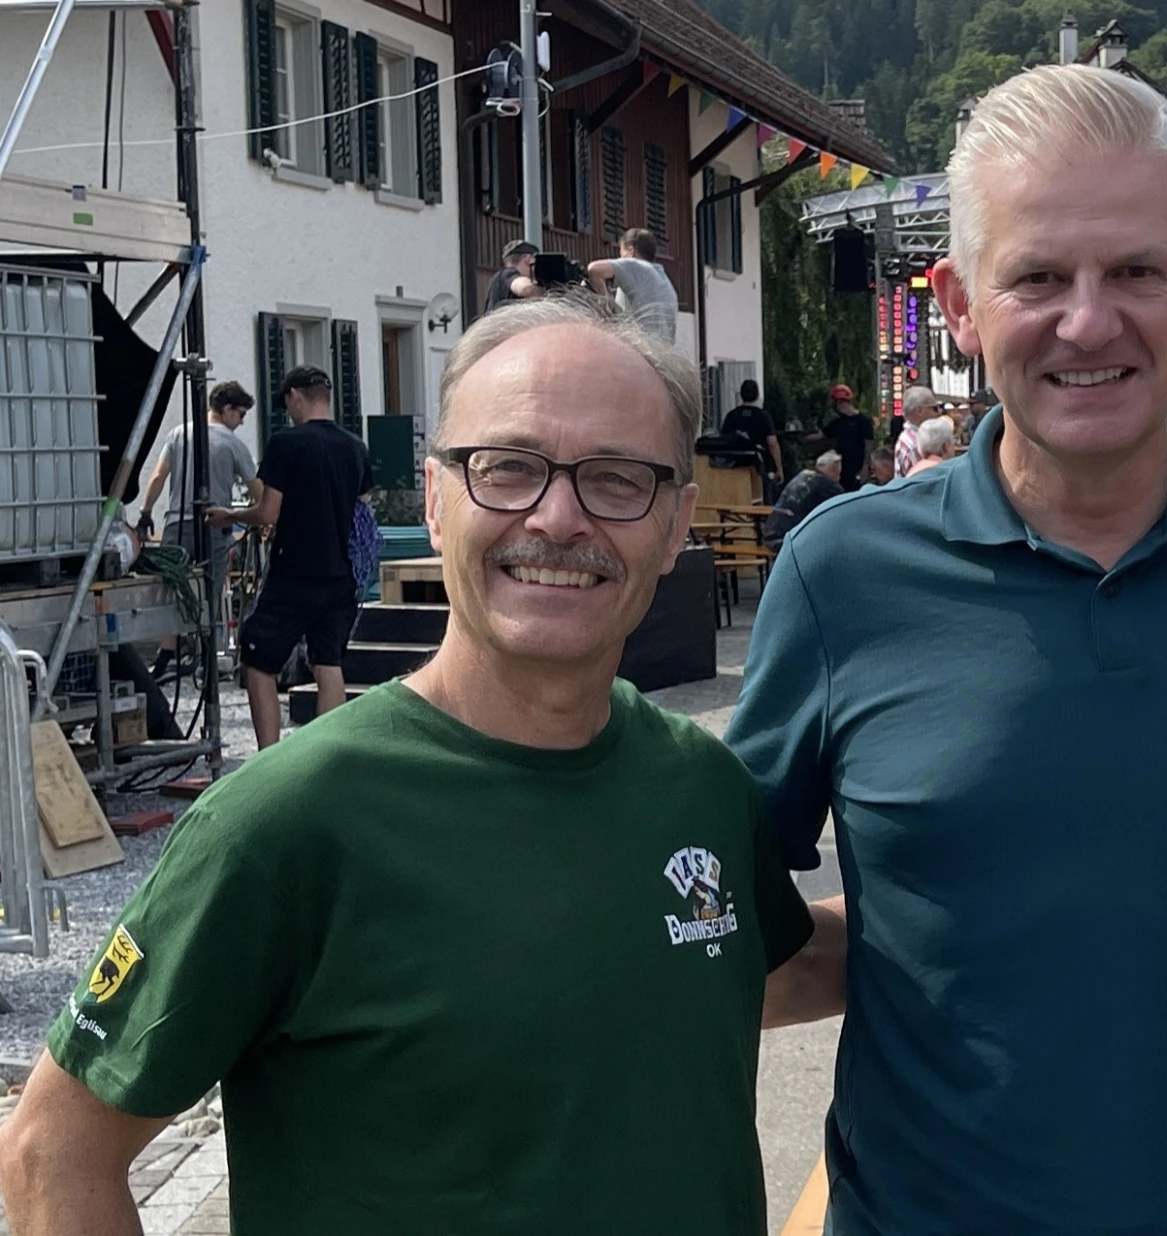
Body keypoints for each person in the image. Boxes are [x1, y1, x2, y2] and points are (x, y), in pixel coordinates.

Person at [729, 63, 1167, 1235]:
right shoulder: (839, 575)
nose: (1088, 321)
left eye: (1134, 272)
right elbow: (724, 927)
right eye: (1037, 277)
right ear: (958, 304)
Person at [0, 297, 835, 1236]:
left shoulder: (699, 786)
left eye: (615, 479)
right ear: (437, 502)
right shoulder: (285, 824)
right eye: (508, 468)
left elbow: (762, 970)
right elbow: (53, 1152)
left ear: (678, 522)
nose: (558, 518)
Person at [208, 367, 371, 750]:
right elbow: (362, 513)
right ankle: (326, 755)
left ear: (295, 397)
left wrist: (231, 516)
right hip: (341, 574)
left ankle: (271, 757)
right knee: (328, 662)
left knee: (257, 657)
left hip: (295, 570)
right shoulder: (355, 448)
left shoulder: (286, 444)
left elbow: (267, 513)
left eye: (287, 403)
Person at [138, 379, 261, 594]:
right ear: (227, 409)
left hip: (176, 526)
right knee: (210, 598)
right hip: (213, 526)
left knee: (171, 595)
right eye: (241, 414)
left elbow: (158, 476)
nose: (241, 422)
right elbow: (259, 492)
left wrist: (146, 513)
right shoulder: (234, 444)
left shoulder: (178, 434)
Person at [586, 228, 678, 342]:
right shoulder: (665, 281)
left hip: (638, 349)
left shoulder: (635, 265)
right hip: (662, 353)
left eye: (621, 254)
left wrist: (605, 306)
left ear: (631, 251)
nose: (620, 259)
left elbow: (595, 269)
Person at [759, 451, 842, 550]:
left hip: (770, 533)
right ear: (834, 469)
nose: (838, 478)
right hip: (786, 540)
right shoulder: (826, 484)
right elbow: (845, 505)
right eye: (838, 474)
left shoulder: (804, 474)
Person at [721, 378, 784, 489]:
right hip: (760, 467)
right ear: (757, 395)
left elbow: (723, 441)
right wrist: (779, 468)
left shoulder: (731, 416)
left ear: (741, 394)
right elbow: (772, 443)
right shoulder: (764, 417)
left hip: (735, 467)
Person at [822, 385, 874, 493]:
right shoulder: (837, 423)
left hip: (858, 466)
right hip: (842, 468)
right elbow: (822, 434)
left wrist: (866, 466)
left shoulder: (863, 421)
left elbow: (869, 444)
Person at [893, 386, 943, 478]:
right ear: (919, 411)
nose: (938, 413)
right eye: (935, 408)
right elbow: (926, 480)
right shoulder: (915, 444)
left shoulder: (910, 438)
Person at [482, 240, 542, 315]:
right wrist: (547, 292)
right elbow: (526, 288)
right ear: (528, 259)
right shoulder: (507, 273)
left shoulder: (499, 279)